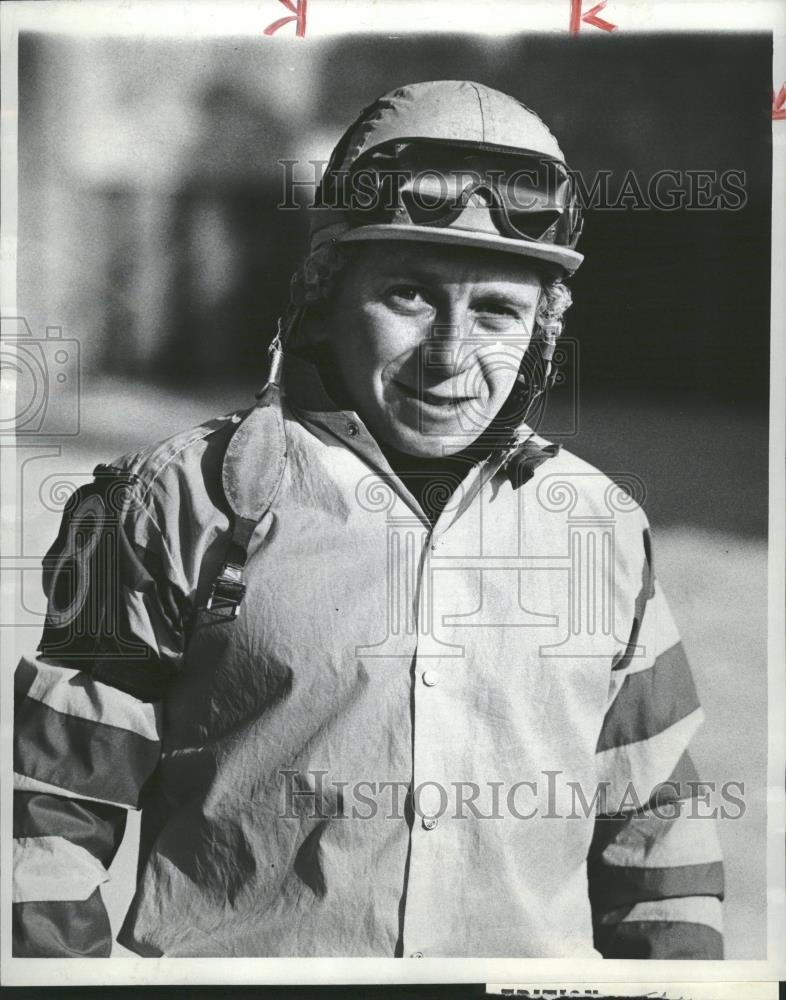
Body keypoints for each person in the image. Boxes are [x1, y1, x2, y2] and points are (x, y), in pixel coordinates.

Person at [12, 80, 724, 959]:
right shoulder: (168, 500)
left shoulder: (599, 527)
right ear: (326, 294)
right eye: (411, 296)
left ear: (543, 330)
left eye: (497, 310)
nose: (453, 354)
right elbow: (45, 816)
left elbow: (659, 828)